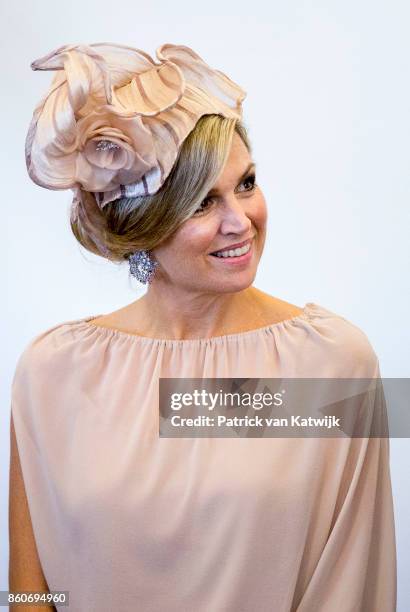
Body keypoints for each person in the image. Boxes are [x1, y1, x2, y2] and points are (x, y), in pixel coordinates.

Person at [9, 42, 396, 611]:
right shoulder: (52, 370)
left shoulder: (333, 362)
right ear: (143, 224)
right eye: (201, 203)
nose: (241, 222)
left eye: (246, 183)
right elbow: (27, 586)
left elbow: (353, 579)